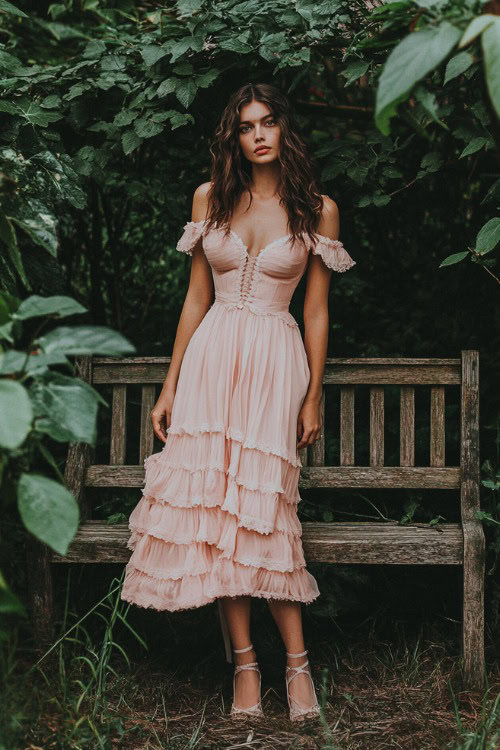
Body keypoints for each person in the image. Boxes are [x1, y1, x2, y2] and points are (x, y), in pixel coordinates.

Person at [121, 82, 356, 722]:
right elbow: (196, 298)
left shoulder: (317, 210)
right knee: (220, 520)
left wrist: (312, 395)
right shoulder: (211, 198)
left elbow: (315, 312)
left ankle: (299, 666)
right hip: (211, 359)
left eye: (268, 122)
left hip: (275, 362)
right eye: (247, 125)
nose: (258, 134)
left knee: (265, 513)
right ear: (235, 135)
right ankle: (247, 667)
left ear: (284, 130)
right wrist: (170, 386)